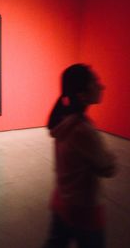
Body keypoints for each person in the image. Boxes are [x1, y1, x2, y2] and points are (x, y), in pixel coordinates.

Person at [43, 63, 117, 248]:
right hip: (84, 211)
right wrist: (109, 155)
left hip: (61, 202)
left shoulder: (63, 122)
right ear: (82, 95)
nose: (102, 86)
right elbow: (108, 168)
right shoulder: (84, 131)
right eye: (95, 82)